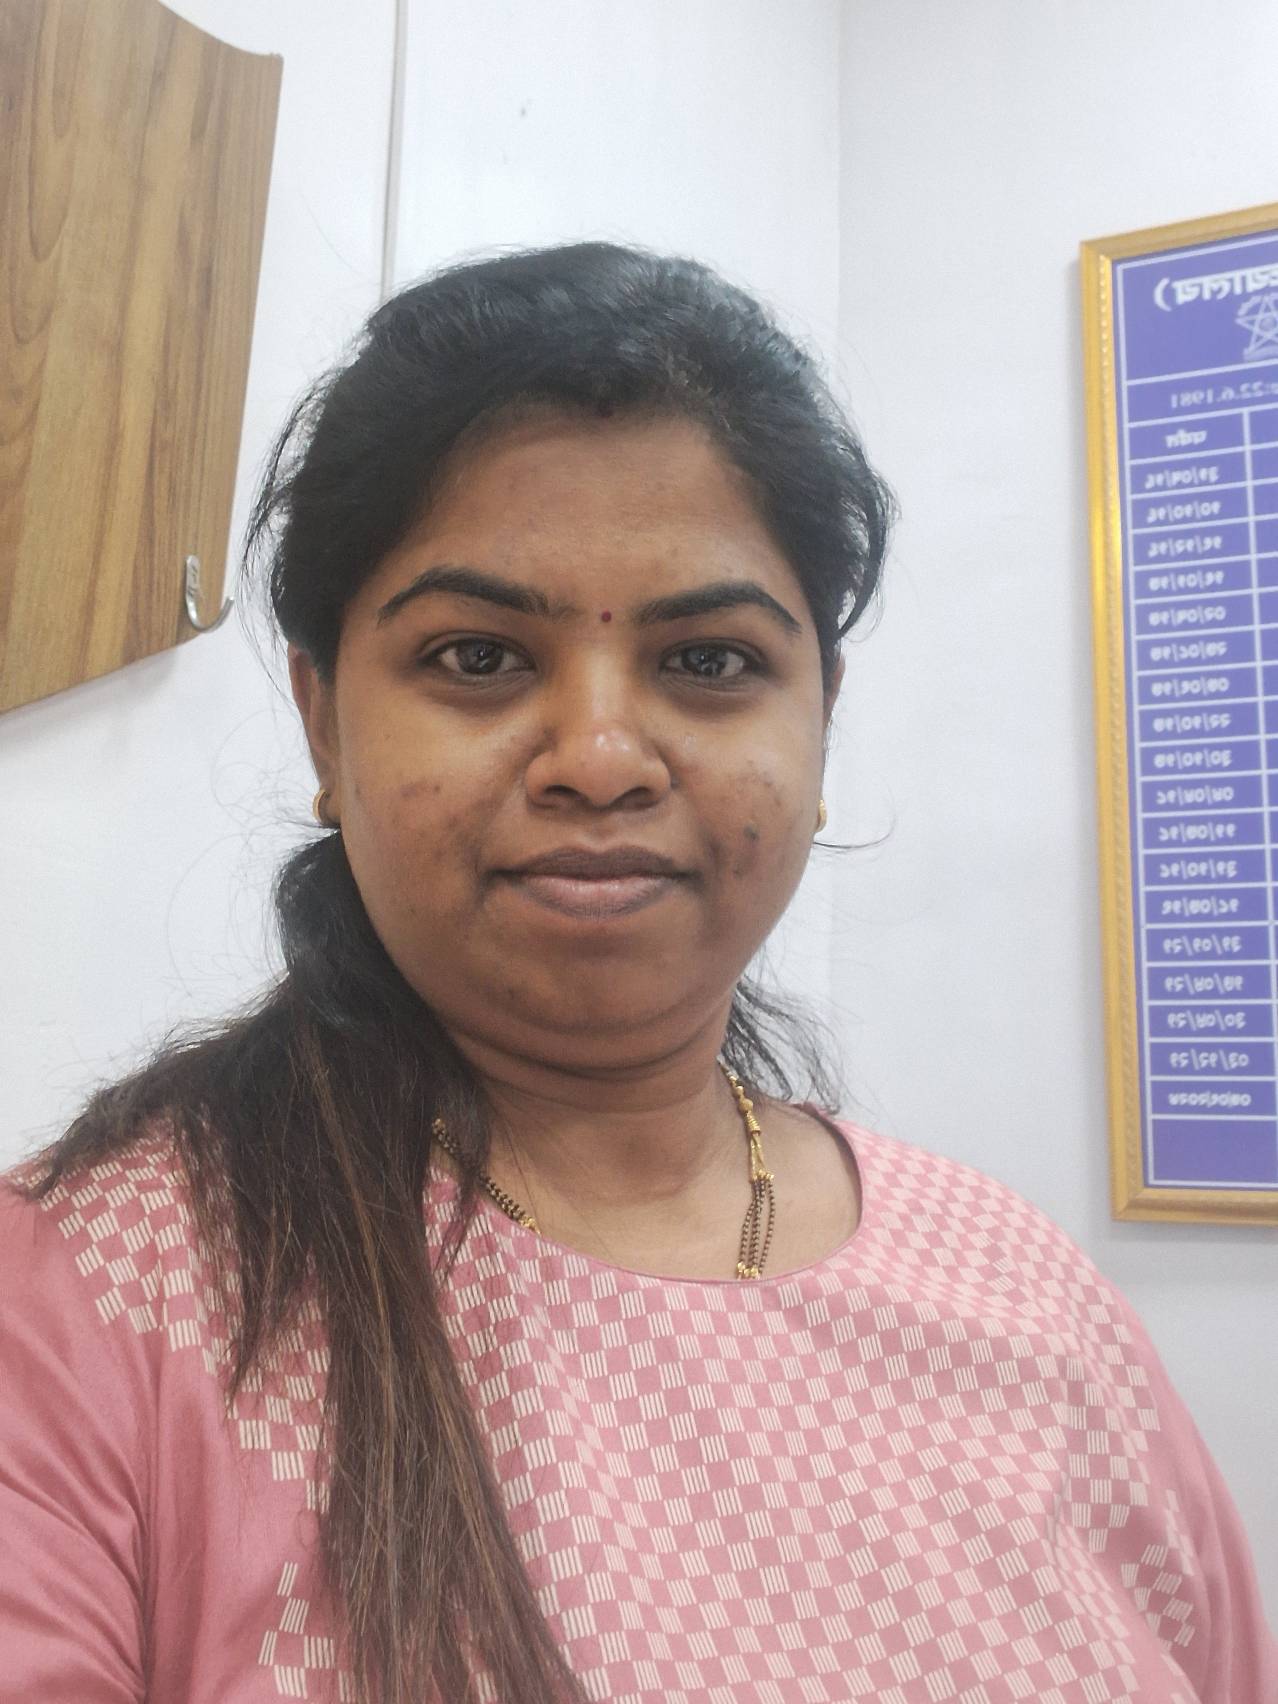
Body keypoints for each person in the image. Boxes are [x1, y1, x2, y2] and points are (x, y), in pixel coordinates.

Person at [1, 243, 1273, 1704]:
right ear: (325, 724)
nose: (600, 760)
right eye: (478, 657)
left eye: (710, 662)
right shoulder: (91, 1304)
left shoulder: (1025, 1295)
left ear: (820, 715)